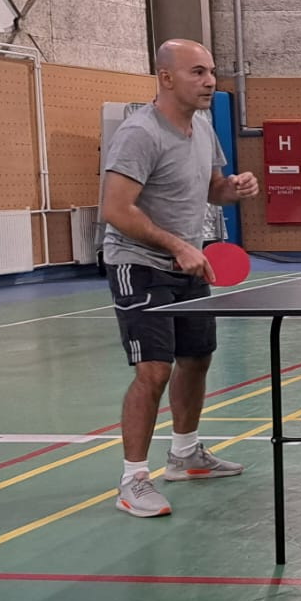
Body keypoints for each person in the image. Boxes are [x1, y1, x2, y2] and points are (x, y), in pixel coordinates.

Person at [99, 39, 260, 518]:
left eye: (210, 71)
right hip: (139, 263)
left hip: (188, 263)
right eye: (197, 72)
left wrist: (234, 188)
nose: (210, 81)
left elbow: (213, 190)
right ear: (166, 78)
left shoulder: (204, 127)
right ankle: (132, 481)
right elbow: (116, 209)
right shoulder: (139, 134)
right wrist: (177, 246)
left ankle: (185, 455)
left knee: (197, 358)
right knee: (154, 371)